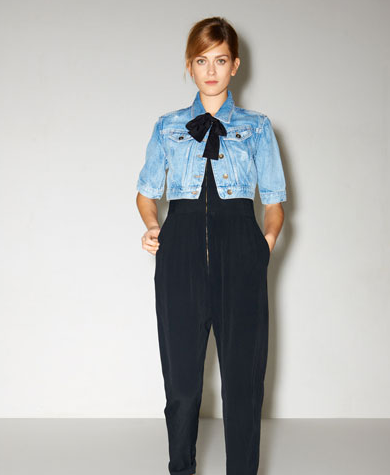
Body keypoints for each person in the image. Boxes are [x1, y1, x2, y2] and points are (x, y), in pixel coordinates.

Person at [135, 16, 286, 475]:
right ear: (190, 66)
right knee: (181, 385)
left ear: (235, 65)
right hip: (179, 254)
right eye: (202, 61)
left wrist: (264, 245)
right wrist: (152, 226)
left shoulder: (258, 128)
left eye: (220, 60)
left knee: (243, 384)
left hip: (240, 253)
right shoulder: (167, 126)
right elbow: (146, 194)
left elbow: (275, 203)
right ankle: (180, 468)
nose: (211, 70)